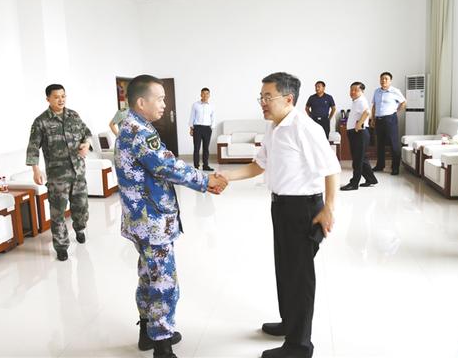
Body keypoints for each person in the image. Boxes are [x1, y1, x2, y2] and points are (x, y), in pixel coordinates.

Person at [219, 72, 340, 358]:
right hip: (281, 207)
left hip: (303, 209)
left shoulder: (305, 128)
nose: (262, 102)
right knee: (285, 269)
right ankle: (289, 323)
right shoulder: (274, 128)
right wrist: (225, 177)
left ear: (288, 99)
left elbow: (331, 169)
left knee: (300, 277)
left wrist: (329, 209)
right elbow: (258, 166)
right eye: (260, 97)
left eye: (267, 97)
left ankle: (299, 346)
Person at [114, 75, 227, 358]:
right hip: (152, 220)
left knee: (148, 275)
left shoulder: (130, 124)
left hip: (140, 218)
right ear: (142, 102)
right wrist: (206, 181)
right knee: (164, 282)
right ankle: (162, 346)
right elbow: (167, 167)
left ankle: (147, 332)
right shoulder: (140, 132)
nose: (165, 104)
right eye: (160, 99)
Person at [26, 84, 91, 262]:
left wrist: (86, 144)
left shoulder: (73, 115)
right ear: (48, 99)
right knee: (58, 213)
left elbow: (86, 133)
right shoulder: (41, 121)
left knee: (81, 207)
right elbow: (33, 147)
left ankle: (80, 228)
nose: (61, 100)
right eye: (56, 97)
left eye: (63, 96)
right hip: (57, 176)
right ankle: (61, 246)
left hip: (78, 172)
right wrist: (35, 169)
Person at [340, 82, 378, 191]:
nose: (352, 92)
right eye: (351, 89)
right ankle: (371, 179)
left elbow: (367, 112)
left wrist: (358, 124)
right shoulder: (356, 101)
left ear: (362, 91)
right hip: (356, 133)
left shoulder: (361, 101)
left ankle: (354, 183)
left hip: (359, 133)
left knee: (357, 160)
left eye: (356, 90)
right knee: (362, 158)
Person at [371, 71, 406, 175]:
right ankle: (380, 165)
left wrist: (395, 111)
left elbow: (403, 102)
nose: (383, 80)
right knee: (380, 144)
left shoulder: (395, 91)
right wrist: (373, 119)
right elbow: (374, 106)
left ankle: (395, 167)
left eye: (386, 79)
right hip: (379, 119)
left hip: (390, 119)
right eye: (382, 79)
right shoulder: (376, 91)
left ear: (390, 81)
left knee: (393, 144)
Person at [189, 87, 215, 171]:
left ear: (209, 95)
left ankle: (205, 165)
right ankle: (196, 166)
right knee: (196, 148)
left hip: (207, 129)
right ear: (201, 94)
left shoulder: (211, 106)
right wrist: (191, 128)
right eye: (203, 93)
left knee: (206, 148)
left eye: (207, 93)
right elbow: (192, 116)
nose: (205, 95)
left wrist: (211, 128)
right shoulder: (195, 105)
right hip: (197, 128)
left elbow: (213, 117)